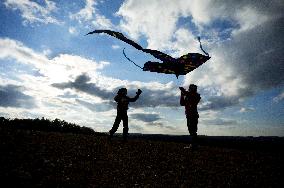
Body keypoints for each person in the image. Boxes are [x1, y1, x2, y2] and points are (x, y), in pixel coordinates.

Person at [179, 84, 201, 149]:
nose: (191, 90)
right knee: (191, 129)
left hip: (193, 115)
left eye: (192, 88)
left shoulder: (196, 95)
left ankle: (194, 145)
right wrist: (182, 95)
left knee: (192, 130)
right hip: (189, 115)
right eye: (191, 88)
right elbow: (182, 103)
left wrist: (184, 92)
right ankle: (194, 144)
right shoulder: (189, 95)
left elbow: (192, 97)